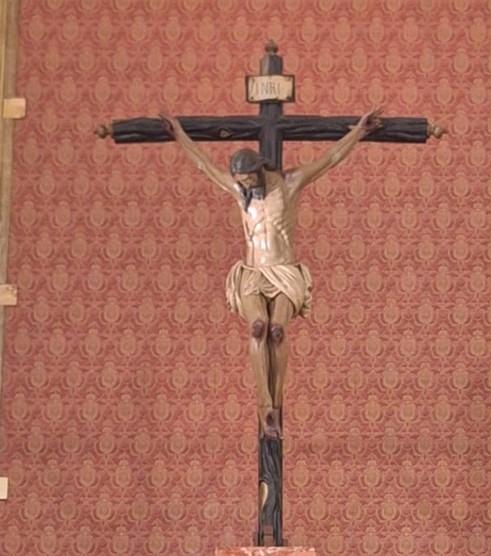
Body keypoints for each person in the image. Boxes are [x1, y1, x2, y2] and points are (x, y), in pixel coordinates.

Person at [159, 108, 381, 440]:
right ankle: (265, 409)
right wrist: (178, 134)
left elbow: (331, 157)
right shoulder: (240, 193)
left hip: (284, 271)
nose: (244, 187)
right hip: (252, 273)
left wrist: (359, 132)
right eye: (240, 182)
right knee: (257, 327)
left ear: (259, 171)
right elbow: (205, 165)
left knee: (276, 330)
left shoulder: (289, 185)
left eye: (248, 180)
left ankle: (276, 403)